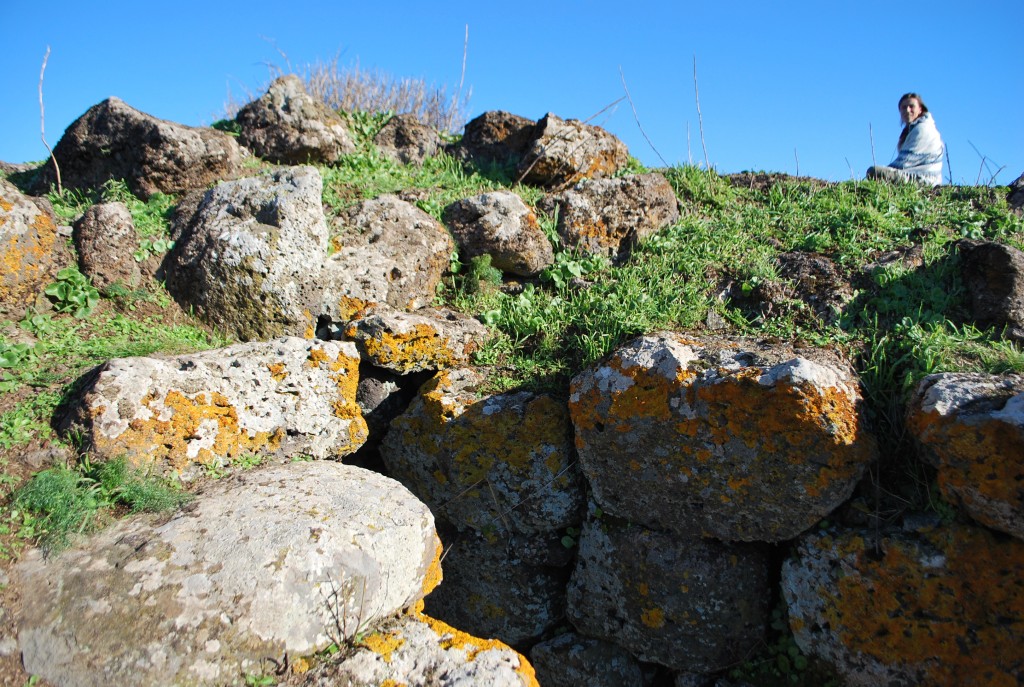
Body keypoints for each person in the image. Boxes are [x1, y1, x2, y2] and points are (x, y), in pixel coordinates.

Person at [866, 93, 945, 186]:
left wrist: (885, 171)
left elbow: (905, 163)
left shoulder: (923, 128)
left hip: (924, 179)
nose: (907, 110)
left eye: (911, 106)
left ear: (920, 109)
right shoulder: (909, 131)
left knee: (874, 171)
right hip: (915, 176)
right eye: (903, 107)